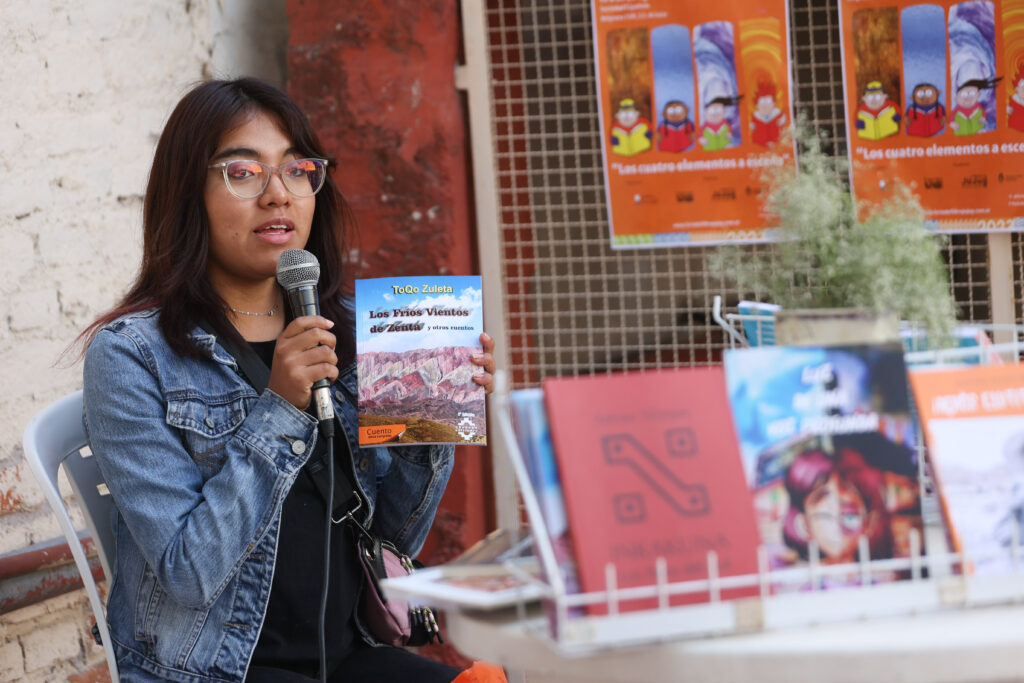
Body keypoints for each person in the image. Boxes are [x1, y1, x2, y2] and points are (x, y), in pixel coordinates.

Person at [78, 77, 498, 682]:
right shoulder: (131, 357)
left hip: (346, 651)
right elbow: (188, 574)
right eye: (244, 173)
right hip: (214, 670)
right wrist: (279, 407)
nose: (279, 194)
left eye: (298, 170)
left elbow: (386, 538)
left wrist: (431, 422)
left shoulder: (350, 327)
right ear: (186, 193)